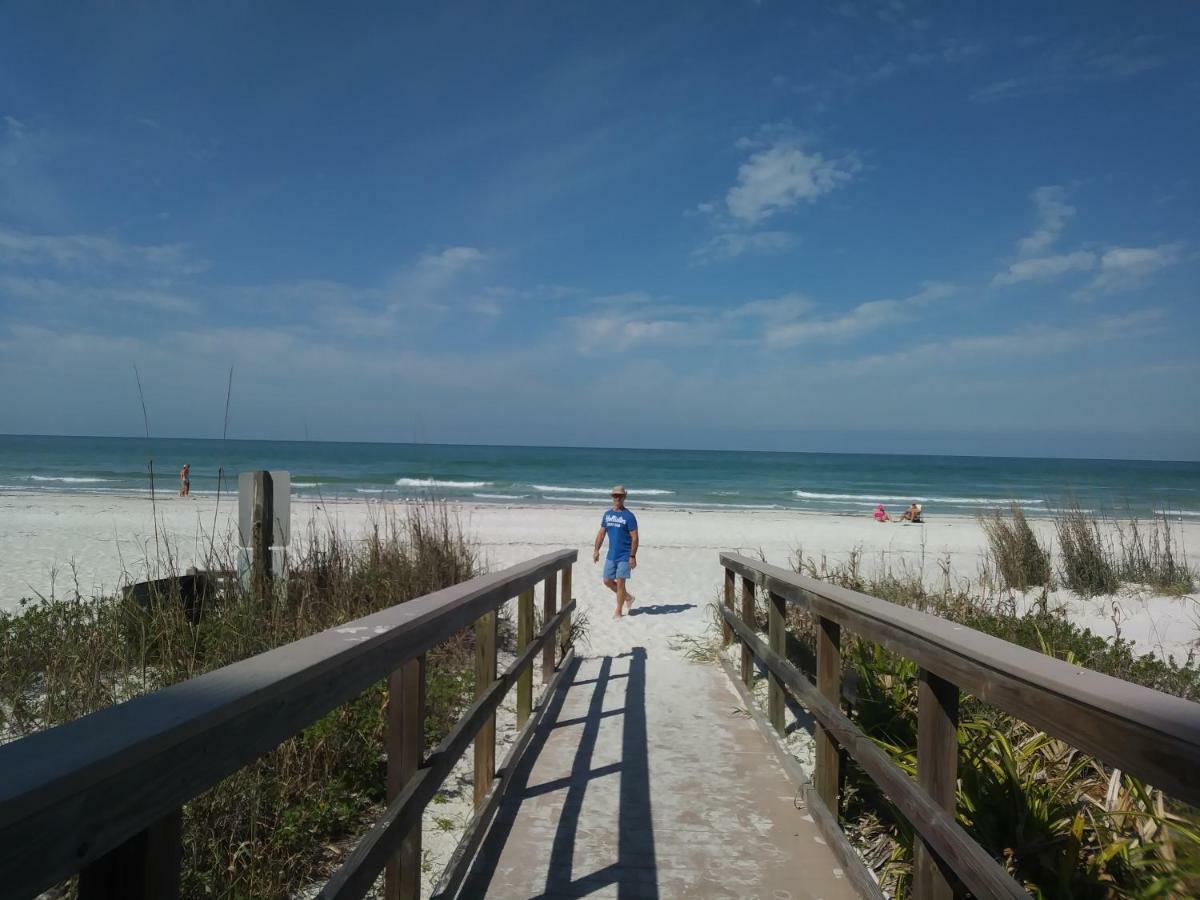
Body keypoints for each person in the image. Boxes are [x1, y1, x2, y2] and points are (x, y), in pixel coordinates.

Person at [593, 485, 639, 619]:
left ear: (624, 497)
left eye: (620, 495)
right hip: (611, 554)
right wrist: (596, 550)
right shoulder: (607, 515)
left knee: (620, 582)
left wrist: (632, 556)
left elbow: (635, 537)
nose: (617, 498)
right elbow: (601, 534)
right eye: (615, 495)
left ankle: (618, 611)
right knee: (607, 580)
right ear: (612, 497)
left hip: (625, 555)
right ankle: (628, 597)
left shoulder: (629, 516)